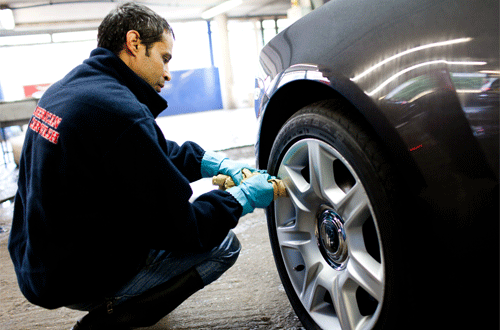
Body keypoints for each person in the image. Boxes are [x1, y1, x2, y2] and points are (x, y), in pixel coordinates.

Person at [8, 2, 275, 329]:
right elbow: (185, 230)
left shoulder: (70, 89)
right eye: (164, 58)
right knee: (222, 246)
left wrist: (211, 162)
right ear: (134, 43)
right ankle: (105, 321)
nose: (167, 73)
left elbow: (144, 153)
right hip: (70, 276)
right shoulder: (121, 113)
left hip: (35, 259)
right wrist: (241, 198)